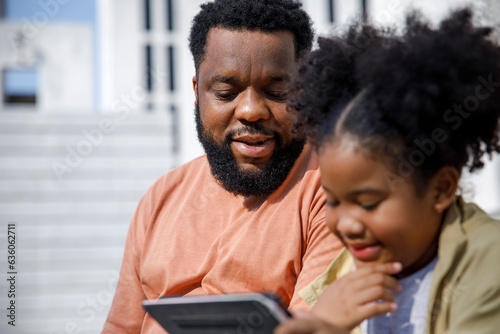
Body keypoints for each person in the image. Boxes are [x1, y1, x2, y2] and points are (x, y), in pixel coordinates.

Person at [102, 0, 343, 333]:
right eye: (226, 92)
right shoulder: (160, 197)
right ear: (197, 92)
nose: (251, 110)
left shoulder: (334, 189)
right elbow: (120, 326)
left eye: (277, 91)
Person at [275, 7, 500, 334]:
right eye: (333, 202)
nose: (348, 225)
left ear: (441, 189)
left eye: (368, 203)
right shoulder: (350, 267)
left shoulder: (489, 264)